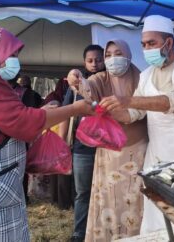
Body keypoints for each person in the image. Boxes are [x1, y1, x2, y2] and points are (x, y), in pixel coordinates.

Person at [0, 27, 92, 241]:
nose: (15, 61)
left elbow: (6, 116)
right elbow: (22, 123)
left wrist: (40, 112)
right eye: (11, 54)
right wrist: (76, 109)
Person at [99, 15, 174, 233]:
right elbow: (133, 113)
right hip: (159, 150)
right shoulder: (146, 76)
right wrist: (108, 113)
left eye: (151, 43)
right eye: (143, 44)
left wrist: (127, 100)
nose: (146, 49)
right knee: (159, 207)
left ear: (168, 43)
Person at [67, 39, 148, 241]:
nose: (113, 59)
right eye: (109, 55)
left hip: (137, 149)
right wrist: (76, 78)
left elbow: (144, 107)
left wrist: (124, 113)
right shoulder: (101, 78)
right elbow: (87, 87)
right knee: (109, 199)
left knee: (133, 199)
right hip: (109, 152)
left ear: (128, 55)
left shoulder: (143, 78)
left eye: (118, 53)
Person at [59, 44, 105, 242]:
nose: (95, 64)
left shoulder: (112, 83)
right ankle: (79, 234)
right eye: (90, 60)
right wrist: (62, 144)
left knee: (106, 191)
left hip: (108, 147)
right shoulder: (76, 86)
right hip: (82, 148)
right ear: (84, 62)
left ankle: (103, 232)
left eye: (98, 59)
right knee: (83, 193)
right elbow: (65, 114)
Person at [8, 74, 43, 204]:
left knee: (20, 169)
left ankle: (23, 197)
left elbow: (32, 113)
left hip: (20, 138)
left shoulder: (27, 93)